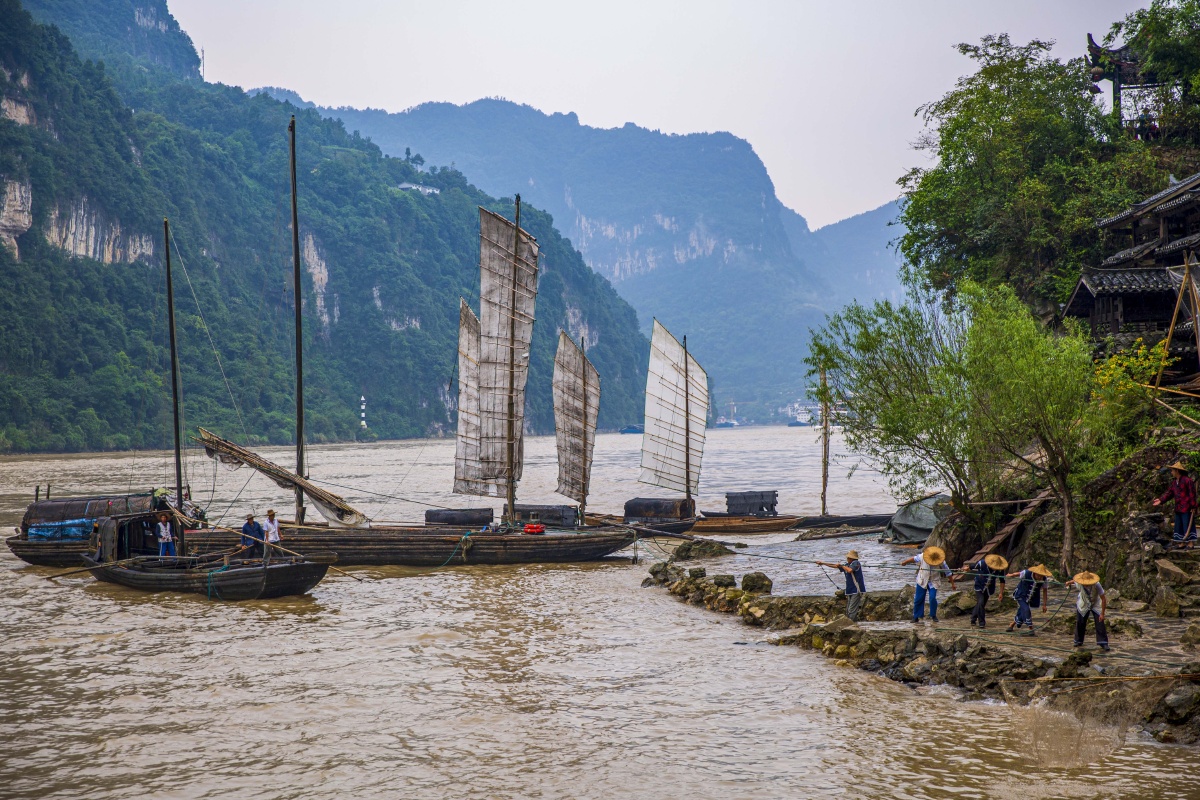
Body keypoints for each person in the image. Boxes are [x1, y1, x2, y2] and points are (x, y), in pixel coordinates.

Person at [902, 545, 955, 624]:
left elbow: (948, 572)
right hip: (922, 579)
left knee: (932, 598)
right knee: (918, 599)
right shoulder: (923, 556)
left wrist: (952, 584)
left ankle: (933, 615)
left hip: (934, 581)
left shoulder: (941, 561)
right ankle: (916, 616)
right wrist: (905, 562)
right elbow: (914, 559)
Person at [1153, 460, 1197, 549]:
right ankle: (1181, 543)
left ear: (1177, 471)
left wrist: (1193, 506)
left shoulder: (1187, 481)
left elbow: (1192, 494)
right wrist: (1161, 500)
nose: (1171, 472)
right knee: (1179, 524)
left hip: (1187, 507)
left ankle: (1190, 543)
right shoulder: (1174, 483)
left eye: (1172, 470)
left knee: (1187, 524)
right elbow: (1169, 493)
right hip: (1178, 507)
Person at [816, 550, 867, 621]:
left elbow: (849, 570)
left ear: (851, 558)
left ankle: (851, 624)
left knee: (851, 610)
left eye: (848, 558)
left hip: (856, 589)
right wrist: (823, 563)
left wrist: (841, 566)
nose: (847, 559)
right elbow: (834, 566)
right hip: (850, 590)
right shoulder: (847, 565)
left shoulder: (856, 563)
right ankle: (853, 622)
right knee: (848, 610)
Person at [1065, 571, 1109, 651]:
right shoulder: (1079, 584)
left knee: (1100, 621)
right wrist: (1068, 583)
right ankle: (1078, 641)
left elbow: (1103, 598)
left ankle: (1103, 642)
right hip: (1083, 602)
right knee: (1080, 621)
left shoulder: (1097, 585)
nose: (1086, 584)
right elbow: (1074, 581)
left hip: (1095, 602)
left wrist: (1102, 613)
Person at [961, 553, 1007, 628]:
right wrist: (967, 568)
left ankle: (973, 618)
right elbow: (972, 567)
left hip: (989, 588)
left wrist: (1001, 593)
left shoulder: (1000, 569)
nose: (995, 568)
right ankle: (982, 623)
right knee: (981, 602)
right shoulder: (982, 563)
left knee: (981, 604)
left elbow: (1002, 581)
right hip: (979, 585)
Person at [1006, 563, 1052, 635]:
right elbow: (1018, 573)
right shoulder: (1027, 573)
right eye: (1038, 575)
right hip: (1021, 595)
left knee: (1022, 610)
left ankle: (1011, 625)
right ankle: (1031, 629)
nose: (1040, 577)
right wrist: (1010, 575)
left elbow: (1045, 591)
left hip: (1031, 597)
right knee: (1026, 609)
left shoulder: (1044, 579)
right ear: (1035, 572)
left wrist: (1044, 604)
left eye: (1041, 575)